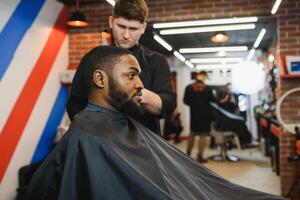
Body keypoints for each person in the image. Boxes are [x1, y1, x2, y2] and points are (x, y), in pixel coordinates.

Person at [25, 46, 286, 200]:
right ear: (100, 80)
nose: (140, 84)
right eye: (131, 76)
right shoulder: (88, 139)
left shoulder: (119, 124)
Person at [66, 0, 176, 135]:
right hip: (100, 140)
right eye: (121, 26)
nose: (126, 35)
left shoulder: (156, 61)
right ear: (111, 22)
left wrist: (134, 92)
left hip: (143, 144)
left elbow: (168, 104)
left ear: (143, 27)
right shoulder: (93, 60)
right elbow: (75, 104)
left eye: (133, 29)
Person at [183, 71, 215, 163]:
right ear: (204, 77)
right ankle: (200, 156)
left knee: (192, 134)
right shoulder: (207, 88)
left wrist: (194, 104)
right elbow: (212, 100)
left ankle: (187, 154)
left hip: (194, 114)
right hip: (205, 114)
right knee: (203, 135)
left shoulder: (189, 88)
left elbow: (185, 101)